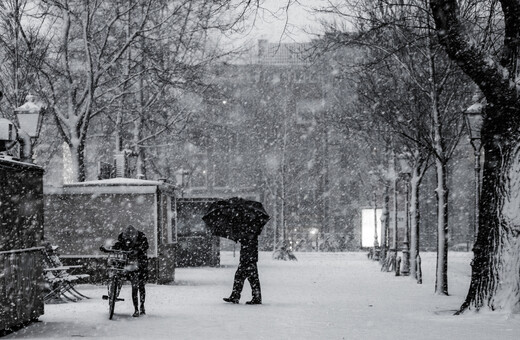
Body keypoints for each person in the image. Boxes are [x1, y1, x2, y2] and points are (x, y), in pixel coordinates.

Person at [113, 225, 149, 317]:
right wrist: (113, 247)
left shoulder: (141, 237)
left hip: (139, 264)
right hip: (130, 264)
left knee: (140, 286)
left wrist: (138, 250)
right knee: (136, 286)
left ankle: (141, 306)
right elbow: (119, 245)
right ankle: (137, 308)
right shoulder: (123, 238)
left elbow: (145, 246)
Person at [223, 233, 262, 305]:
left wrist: (241, 238)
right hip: (248, 258)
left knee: (247, 277)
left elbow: (249, 239)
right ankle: (255, 297)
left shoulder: (250, 230)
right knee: (246, 277)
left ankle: (237, 296)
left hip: (248, 258)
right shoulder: (250, 229)